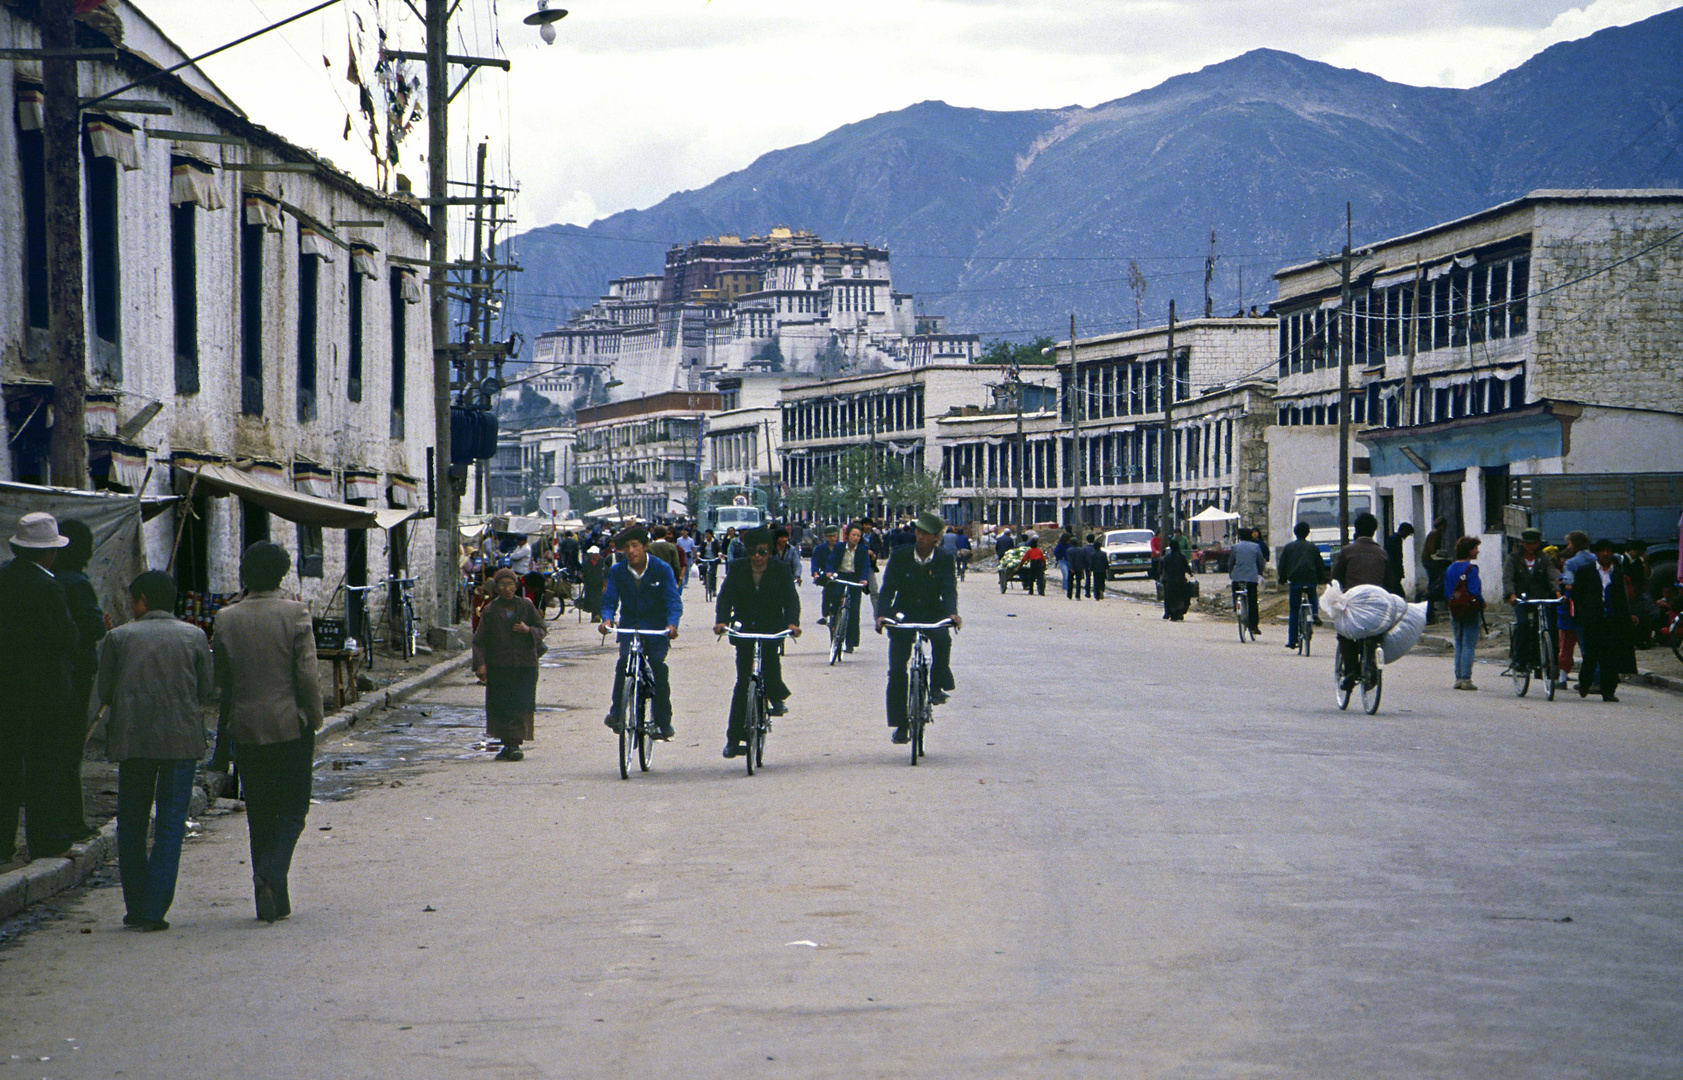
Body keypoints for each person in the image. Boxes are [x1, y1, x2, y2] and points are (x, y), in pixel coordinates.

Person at [209, 542, 323, 923]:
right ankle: (271, 875)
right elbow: (306, 674)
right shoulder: (295, 613)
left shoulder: (226, 617)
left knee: (260, 811)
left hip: (245, 726)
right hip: (290, 725)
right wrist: (314, 715)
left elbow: (221, 678)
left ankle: (271, 899)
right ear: (282, 573)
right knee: (294, 809)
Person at [97, 571, 215, 932]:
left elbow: (105, 693)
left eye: (133, 599)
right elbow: (207, 691)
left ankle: (136, 903)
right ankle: (154, 906)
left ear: (143, 600)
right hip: (180, 742)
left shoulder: (118, 638)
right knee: (170, 823)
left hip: (133, 742)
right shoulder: (194, 636)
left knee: (131, 823)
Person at [0, 512, 79, 864]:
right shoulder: (49, 587)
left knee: (6, 764)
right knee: (43, 765)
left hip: (7, 686)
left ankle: (3, 844)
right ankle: (46, 839)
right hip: (45, 689)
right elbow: (66, 638)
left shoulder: (3, 580)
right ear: (48, 553)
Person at [713, 529, 801, 758]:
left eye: (762, 552)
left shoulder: (781, 570)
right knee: (743, 682)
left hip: (772, 626)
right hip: (744, 628)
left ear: (769, 551)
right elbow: (725, 597)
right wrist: (721, 621)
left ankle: (776, 695)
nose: (757, 557)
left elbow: (791, 598)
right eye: (752, 552)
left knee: (771, 662)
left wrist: (793, 623)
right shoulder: (737, 569)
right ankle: (733, 740)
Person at [876, 511, 961, 744]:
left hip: (934, 612)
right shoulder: (900, 555)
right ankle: (901, 724)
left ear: (936, 537)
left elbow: (948, 589)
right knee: (896, 671)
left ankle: (936, 685)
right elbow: (887, 590)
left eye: (926, 533)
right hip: (903, 614)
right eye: (918, 531)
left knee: (943, 639)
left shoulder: (944, 558)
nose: (920, 536)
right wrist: (882, 615)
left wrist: (952, 612)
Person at [52, 519, 108, 842]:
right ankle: (71, 821)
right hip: (74, 675)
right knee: (70, 749)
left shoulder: (48, 578)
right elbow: (92, 627)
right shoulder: (77, 583)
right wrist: (101, 622)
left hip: (43, 674)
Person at [599, 526, 682, 740]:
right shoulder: (617, 571)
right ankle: (617, 712)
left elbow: (673, 600)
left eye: (635, 546)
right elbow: (609, 600)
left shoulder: (661, 569)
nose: (631, 551)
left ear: (645, 547)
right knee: (624, 662)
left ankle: (663, 720)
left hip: (657, 628)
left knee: (657, 667)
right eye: (626, 547)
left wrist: (672, 625)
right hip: (630, 626)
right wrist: (607, 619)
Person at [472, 568, 547, 761]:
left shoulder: (526, 606)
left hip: (525, 664)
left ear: (516, 586)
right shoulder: (489, 611)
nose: (507, 589)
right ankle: (507, 744)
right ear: (496, 588)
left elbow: (542, 629)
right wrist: (481, 665)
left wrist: (527, 629)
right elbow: (479, 641)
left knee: (521, 703)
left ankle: (514, 744)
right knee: (501, 704)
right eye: (503, 585)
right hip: (500, 665)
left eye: (511, 584)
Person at [1331, 513, 1391, 690]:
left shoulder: (1347, 551)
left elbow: (1336, 579)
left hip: (1354, 604)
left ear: (1356, 530)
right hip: (1378, 603)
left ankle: (1351, 672)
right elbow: (1390, 582)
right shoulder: (1382, 553)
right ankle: (1372, 666)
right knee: (1376, 634)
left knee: (1345, 634)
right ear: (1374, 531)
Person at [1572, 538, 1637, 702]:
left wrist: (1628, 615)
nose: (1606, 554)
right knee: (1591, 654)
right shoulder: (1586, 571)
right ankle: (1585, 682)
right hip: (1593, 620)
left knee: (1610, 656)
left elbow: (1623, 596)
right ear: (1596, 553)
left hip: (1612, 620)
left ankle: (1608, 691)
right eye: (1603, 551)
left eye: (1609, 551)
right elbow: (1576, 594)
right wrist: (1584, 611)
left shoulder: (1617, 572)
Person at [1502, 527, 1561, 676]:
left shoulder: (1544, 559)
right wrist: (1511, 595)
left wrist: (1557, 592)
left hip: (1540, 597)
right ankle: (1520, 660)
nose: (1531, 547)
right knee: (1523, 625)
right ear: (1522, 543)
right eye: (1528, 544)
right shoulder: (1514, 558)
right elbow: (1508, 578)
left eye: (1534, 543)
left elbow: (1552, 576)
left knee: (1542, 626)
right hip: (1521, 599)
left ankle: (1538, 659)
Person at [825, 522, 875, 651]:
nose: (856, 538)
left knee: (854, 610)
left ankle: (851, 642)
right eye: (853, 535)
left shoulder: (862, 549)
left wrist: (864, 579)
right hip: (840, 575)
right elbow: (831, 561)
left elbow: (865, 566)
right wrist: (829, 572)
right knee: (836, 597)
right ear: (848, 536)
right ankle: (834, 620)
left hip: (855, 578)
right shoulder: (839, 547)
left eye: (858, 535)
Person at [1278, 521, 1327, 649]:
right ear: (1308, 533)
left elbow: (1282, 565)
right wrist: (1321, 578)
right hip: (1311, 579)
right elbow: (1320, 564)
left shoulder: (1289, 547)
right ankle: (1315, 613)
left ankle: (1292, 640)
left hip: (1295, 581)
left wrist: (1282, 579)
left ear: (1295, 533)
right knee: (1312, 596)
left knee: (1294, 611)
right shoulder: (1313, 547)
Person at [1444, 536, 1484, 691]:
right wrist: (1481, 602)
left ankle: (1458, 677)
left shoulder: (1450, 568)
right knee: (1469, 643)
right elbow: (1474, 590)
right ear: (1469, 551)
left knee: (1459, 642)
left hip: (1454, 608)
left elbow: (1448, 591)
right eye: (1475, 548)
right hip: (1470, 609)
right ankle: (1466, 678)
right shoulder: (1471, 569)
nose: (1477, 551)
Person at [1557, 530, 1595, 687]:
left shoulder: (1572, 563)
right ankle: (1592, 677)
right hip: (1593, 607)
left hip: (1573, 609)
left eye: (1570, 543)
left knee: (1566, 646)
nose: (1569, 546)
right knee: (1590, 645)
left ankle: (1563, 679)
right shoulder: (1595, 559)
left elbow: (1568, 584)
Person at [1228, 526, 1267, 637]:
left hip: (1237, 577)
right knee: (1252, 600)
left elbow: (1231, 562)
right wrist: (1259, 572)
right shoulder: (1256, 547)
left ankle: (1236, 606)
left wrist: (1231, 573)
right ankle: (1254, 625)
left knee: (1235, 590)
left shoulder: (1235, 547)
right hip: (1251, 578)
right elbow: (1260, 562)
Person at [1422, 516, 1451, 622]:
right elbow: (1433, 550)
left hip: (1427, 559)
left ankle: (1430, 604)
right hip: (1430, 561)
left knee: (1433, 582)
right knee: (1434, 583)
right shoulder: (1436, 534)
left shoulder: (1434, 533)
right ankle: (1428, 604)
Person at [811, 525, 842, 623]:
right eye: (830, 536)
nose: (833, 538)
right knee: (827, 591)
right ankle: (825, 615)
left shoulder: (842, 547)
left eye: (834, 536)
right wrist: (815, 574)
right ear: (826, 537)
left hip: (841, 574)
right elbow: (815, 562)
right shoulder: (820, 549)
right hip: (827, 575)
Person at [1160, 539, 1193, 621]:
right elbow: (1187, 567)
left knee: (1170, 598)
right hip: (1181, 580)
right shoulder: (1182, 557)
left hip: (1170, 581)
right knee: (1183, 597)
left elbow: (1164, 569)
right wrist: (1190, 573)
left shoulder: (1166, 558)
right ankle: (1180, 613)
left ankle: (1171, 613)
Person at [1384, 522, 1416, 597]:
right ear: (1404, 530)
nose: (1407, 535)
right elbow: (1395, 557)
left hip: (1392, 569)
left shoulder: (1393, 538)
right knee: (1399, 593)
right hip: (1394, 570)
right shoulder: (1396, 540)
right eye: (1408, 533)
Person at [580, 544, 607, 621]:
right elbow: (582, 570)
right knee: (592, 601)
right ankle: (595, 616)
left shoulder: (602, 562)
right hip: (590, 584)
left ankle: (598, 615)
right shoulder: (587, 562)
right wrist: (581, 575)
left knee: (599, 600)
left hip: (599, 584)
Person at [1086, 533, 1108, 600]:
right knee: (1102, 581)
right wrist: (1107, 569)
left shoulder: (1093, 554)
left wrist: (1090, 570)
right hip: (1103, 570)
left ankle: (1097, 595)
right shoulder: (1104, 554)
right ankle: (1102, 589)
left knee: (1096, 582)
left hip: (1096, 570)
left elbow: (1091, 563)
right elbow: (1106, 562)